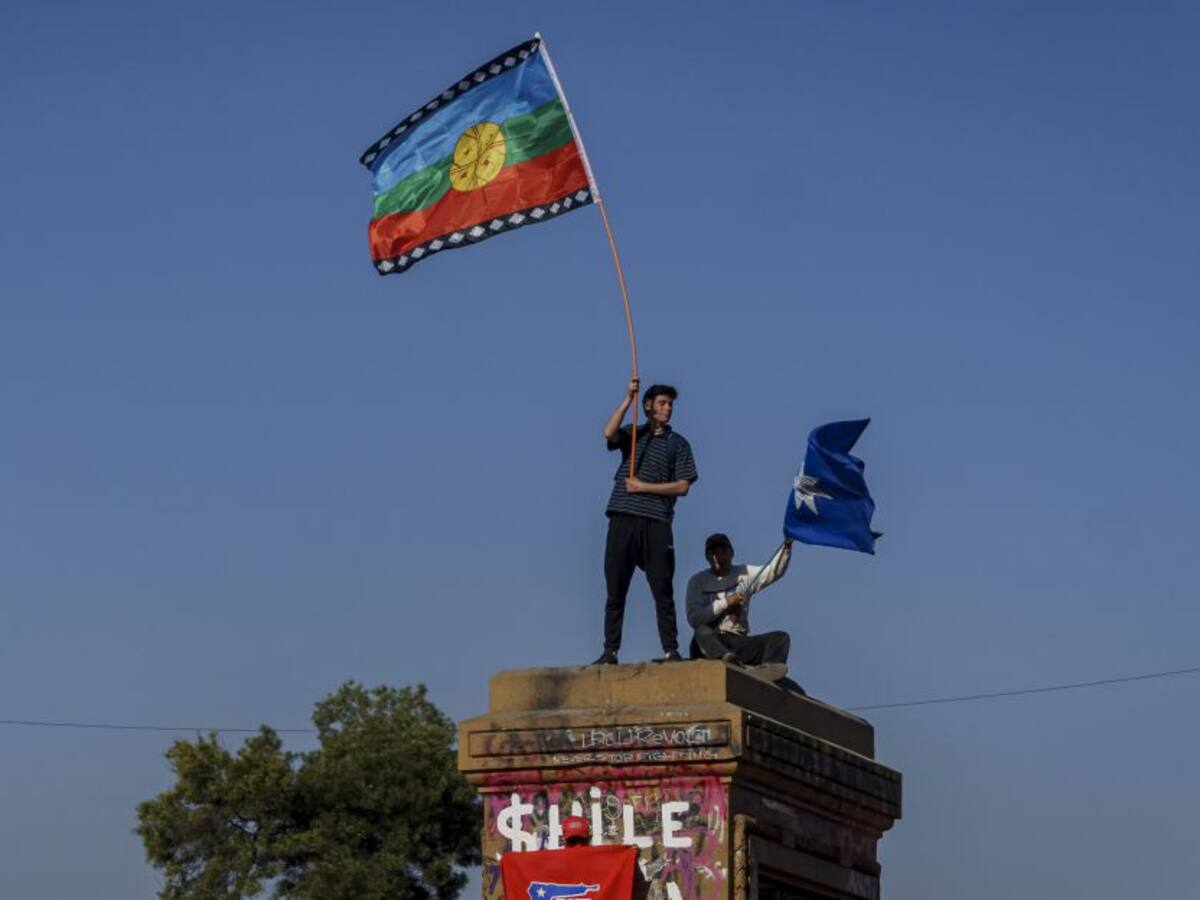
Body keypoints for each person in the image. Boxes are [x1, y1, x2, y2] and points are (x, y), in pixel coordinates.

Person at [593, 379, 698, 665]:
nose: (668, 409)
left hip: (656, 520)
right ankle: (610, 650)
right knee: (615, 588)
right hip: (623, 516)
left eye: (670, 404)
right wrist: (628, 398)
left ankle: (671, 649)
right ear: (649, 406)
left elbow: (683, 486)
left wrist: (643, 487)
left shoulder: (678, 444)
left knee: (662, 589)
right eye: (662, 403)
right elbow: (608, 432)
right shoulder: (634, 434)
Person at [685, 532, 799, 688]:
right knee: (701, 631)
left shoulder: (744, 573)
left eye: (722, 551)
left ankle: (766, 672)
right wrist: (726, 602)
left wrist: (786, 547)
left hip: (738, 641)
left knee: (780, 638)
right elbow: (694, 619)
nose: (718, 556)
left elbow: (773, 571)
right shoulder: (697, 581)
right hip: (712, 642)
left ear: (731, 554)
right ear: (707, 557)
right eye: (713, 553)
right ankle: (725, 660)